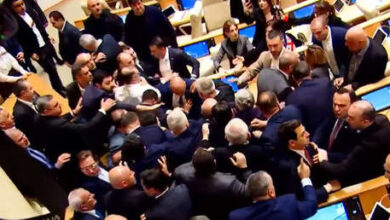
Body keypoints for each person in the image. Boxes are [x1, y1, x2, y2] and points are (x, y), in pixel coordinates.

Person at [315, 100, 390, 186]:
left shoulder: (367, 146)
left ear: (365, 122)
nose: (347, 120)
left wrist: (323, 161)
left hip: (374, 177)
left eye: (352, 118)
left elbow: (341, 170)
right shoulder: (382, 118)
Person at [4, 0, 66, 95]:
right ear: (13, 8)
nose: (22, 7)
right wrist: (30, 53)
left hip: (44, 42)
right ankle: (58, 89)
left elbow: (39, 27)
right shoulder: (15, 23)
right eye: (18, 6)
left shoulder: (30, 11)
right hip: (35, 50)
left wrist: (47, 36)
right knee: (50, 69)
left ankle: (60, 87)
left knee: (53, 68)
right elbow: (21, 40)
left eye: (22, 4)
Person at [174, 148, 251, 220]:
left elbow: (184, 167)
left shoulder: (180, 172)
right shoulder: (230, 182)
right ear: (215, 161)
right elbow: (250, 191)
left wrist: (199, 155)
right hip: (222, 213)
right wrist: (244, 168)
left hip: (197, 209)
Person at [35, 95, 115, 162]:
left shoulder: (39, 117)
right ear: (46, 111)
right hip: (72, 153)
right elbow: (87, 127)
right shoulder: (57, 124)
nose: (60, 105)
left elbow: (58, 119)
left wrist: (73, 112)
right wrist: (103, 110)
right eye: (56, 105)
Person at [229, 162, 318, 220]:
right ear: (270, 192)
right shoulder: (288, 204)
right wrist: (305, 178)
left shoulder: (236, 217)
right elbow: (311, 205)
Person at [286, 61, 334, 148]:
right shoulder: (326, 82)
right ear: (310, 72)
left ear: (293, 77)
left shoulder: (291, 98)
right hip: (335, 130)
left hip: (314, 142)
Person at [124, 0, 177, 66]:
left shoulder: (154, 11)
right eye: (134, 5)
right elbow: (130, 41)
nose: (138, 7)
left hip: (163, 50)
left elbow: (169, 30)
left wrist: (174, 49)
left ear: (142, 2)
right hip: (146, 57)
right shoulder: (129, 20)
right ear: (131, 6)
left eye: (139, 3)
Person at [343, 26, 387, 90]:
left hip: (360, 89)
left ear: (360, 42)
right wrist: (342, 76)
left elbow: (374, 80)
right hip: (345, 82)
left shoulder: (378, 56)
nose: (346, 44)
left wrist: (354, 86)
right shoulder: (351, 43)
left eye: (349, 42)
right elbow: (343, 62)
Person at [327, 88, 358, 162]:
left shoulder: (356, 126)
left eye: (341, 106)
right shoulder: (331, 114)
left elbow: (351, 156)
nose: (336, 109)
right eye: (335, 104)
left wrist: (326, 156)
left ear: (353, 104)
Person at [12, 79, 42, 150]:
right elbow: (34, 134)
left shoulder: (34, 96)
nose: (34, 90)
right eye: (31, 88)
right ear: (23, 93)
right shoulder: (21, 114)